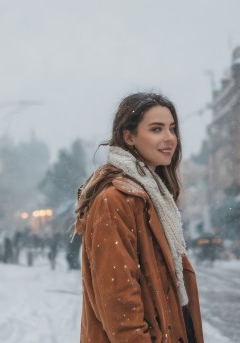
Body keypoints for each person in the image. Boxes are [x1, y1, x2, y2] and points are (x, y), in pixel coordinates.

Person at [74, 93, 203, 342]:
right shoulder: (114, 201)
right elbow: (119, 302)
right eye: (156, 129)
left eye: (172, 129)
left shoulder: (154, 196)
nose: (169, 138)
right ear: (129, 136)